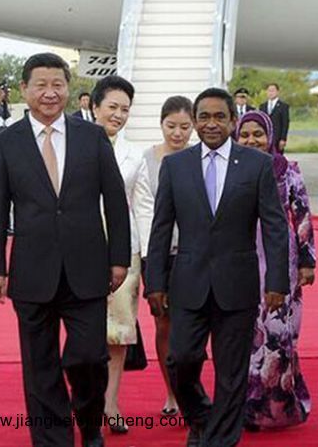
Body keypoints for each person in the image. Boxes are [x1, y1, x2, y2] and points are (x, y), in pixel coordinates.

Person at [0, 52, 130, 447]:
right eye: (41, 85)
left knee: (88, 357)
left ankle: (90, 424)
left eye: (57, 85)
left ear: (68, 88)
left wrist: (119, 258)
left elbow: (115, 200)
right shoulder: (6, 142)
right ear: (24, 89)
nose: (50, 93)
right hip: (32, 270)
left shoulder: (92, 136)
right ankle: (53, 439)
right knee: (40, 364)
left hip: (88, 268)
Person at [145, 88, 289, 447]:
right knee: (180, 359)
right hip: (187, 282)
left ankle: (220, 439)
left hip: (237, 284)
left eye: (219, 117)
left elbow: (274, 226)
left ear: (233, 120)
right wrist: (155, 283)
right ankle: (201, 417)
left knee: (231, 372)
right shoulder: (176, 166)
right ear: (195, 122)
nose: (212, 124)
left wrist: (276, 281)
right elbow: (161, 227)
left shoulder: (256, 165)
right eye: (204, 117)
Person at [235, 110, 316, 429]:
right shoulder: (231, 168)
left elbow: (303, 213)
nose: (251, 140)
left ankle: (277, 407)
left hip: (280, 259)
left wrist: (308, 261)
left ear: (269, 136)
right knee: (245, 333)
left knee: (277, 332)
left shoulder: (287, 170)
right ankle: (244, 406)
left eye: (258, 134)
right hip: (241, 257)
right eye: (245, 135)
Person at [133, 96, 198, 418]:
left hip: (194, 254)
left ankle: (191, 389)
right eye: (171, 126)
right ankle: (172, 391)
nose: (178, 133)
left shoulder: (201, 158)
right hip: (158, 254)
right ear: (161, 124)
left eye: (185, 127)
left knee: (193, 326)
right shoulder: (146, 160)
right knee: (164, 324)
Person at [90, 76, 142, 434]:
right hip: (82, 249)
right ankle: (87, 398)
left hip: (125, 251)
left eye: (125, 109)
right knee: (87, 330)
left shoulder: (134, 154)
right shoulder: (74, 146)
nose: (119, 115)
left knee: (120, 330)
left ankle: (110, 401)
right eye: (112, 107)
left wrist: (149, 253)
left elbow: (143, 205)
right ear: (95, 107)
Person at [259, 83, 290, 153]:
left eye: (273, 90)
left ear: (277, 92)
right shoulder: (262, 106)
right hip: (265, 139)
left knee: (277, 157)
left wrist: (283, 139)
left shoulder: (283, 106)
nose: (271, 93)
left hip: (277, 139)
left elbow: (285, 124)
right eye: (269, 90)